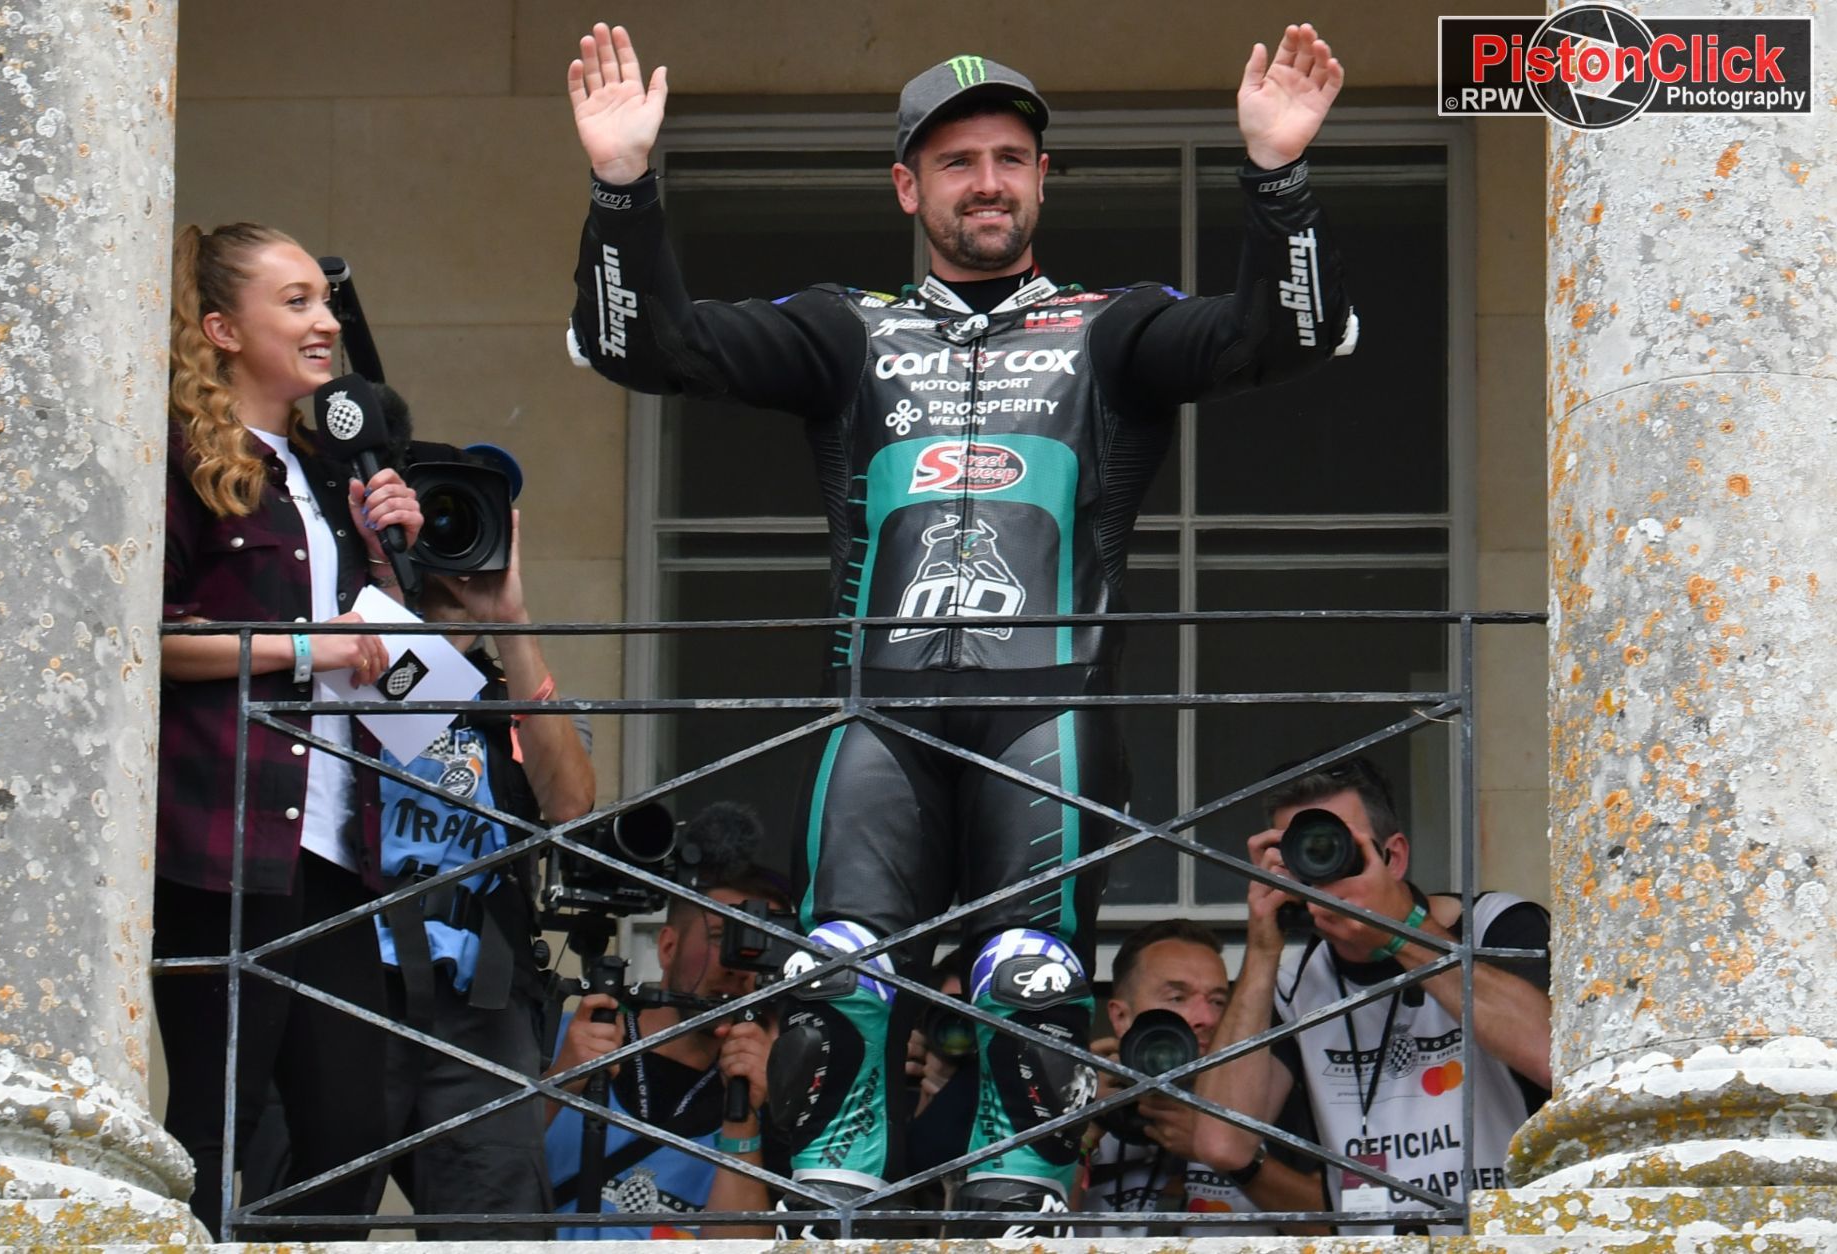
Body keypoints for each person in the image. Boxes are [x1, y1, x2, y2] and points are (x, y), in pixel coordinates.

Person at [563, 21, 1356, 1226]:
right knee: (833, 974)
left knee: (1032, 984)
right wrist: (623, 187)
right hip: (879, 716)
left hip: (1052, 717)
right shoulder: (846, 329)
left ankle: (1020, 1205)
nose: (986, 181)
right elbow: (643, 343)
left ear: (1042, 180)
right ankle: (832, 1208)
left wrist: (1278, 175)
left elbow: (1284, 334)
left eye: (1009, 159)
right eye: (956, 161)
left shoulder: (1115, 324)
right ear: (907, 184)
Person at [155, 221, 423, 1237]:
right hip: (221, 842)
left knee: (355, 1124)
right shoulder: (182, 459)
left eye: (325, 301)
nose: (325, 324)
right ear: (222, 329)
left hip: (335, 844)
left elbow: (378, 646)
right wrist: (307, 645)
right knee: (217, 1119)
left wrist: (389, 563)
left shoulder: (323, 467)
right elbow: (146, 640)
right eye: (297, 302)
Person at [374, 435, 597, 1239]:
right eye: (438, 509)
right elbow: (373, 708)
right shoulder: (352, 644)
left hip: (482, 989)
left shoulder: (515, 689)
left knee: (497, 1219)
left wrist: (509, 621)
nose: (457, 532)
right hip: (351, 969)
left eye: (478, 515)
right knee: (294, 1196)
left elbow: (569, 801)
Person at [1189, 757, 1552, 1235]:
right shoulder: (1294, 979)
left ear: (1393, 857)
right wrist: (1261, 949)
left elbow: (1554, 1055)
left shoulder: (1493, 925)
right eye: (1303, 853)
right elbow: (1222, 1142)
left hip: (1505, 1239)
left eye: (1340, 847)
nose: (1323, 867)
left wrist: (1404, 933)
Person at [544, 805, 787, 1240]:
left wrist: (744, 1120)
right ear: (668, 946)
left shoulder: (767, 1090)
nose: (738, 962)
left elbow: (740, 1250)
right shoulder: (566, 1038)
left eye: (760, 945)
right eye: (721, 937)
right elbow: (476, 1175)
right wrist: (561, 1080)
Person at [1076, 919, 1310, 1236]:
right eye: (1177, 998)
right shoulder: (1083, 1099)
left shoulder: (1267, 1095)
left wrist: (1232, 1152)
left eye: (1217, 1001)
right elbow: (1023, 1231)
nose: (1207, 1019)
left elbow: (1342, 1229)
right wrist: (1084, 1127)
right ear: (1120, 1016)